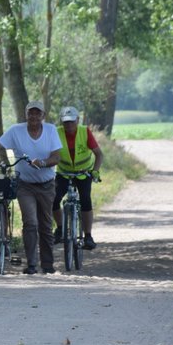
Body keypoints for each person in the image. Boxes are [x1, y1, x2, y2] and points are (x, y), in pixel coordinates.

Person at [0, 101, 62, 275]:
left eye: (37, 113)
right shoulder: (16, 131)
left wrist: (43, 163)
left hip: (47, 185)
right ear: (25, 114)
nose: (34, 116)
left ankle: (47, 265)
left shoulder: (50, 130)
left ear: (43, 115)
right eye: (30, 113)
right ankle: (32, 264)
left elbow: (56, 157)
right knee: (30, 222)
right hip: (25, 185)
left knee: (45, 225)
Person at [52, 106, 103, 250]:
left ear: (78, 120)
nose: (68, 125)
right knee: (53, 199)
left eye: (71, 121)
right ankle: (60, 228)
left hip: (83, 173)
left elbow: (99, 154)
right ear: (61, 122)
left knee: (85, 199)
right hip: (63, 173)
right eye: (65, 122)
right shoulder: (56, 133)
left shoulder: (84, 131)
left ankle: (88, 236)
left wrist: (95, 171)